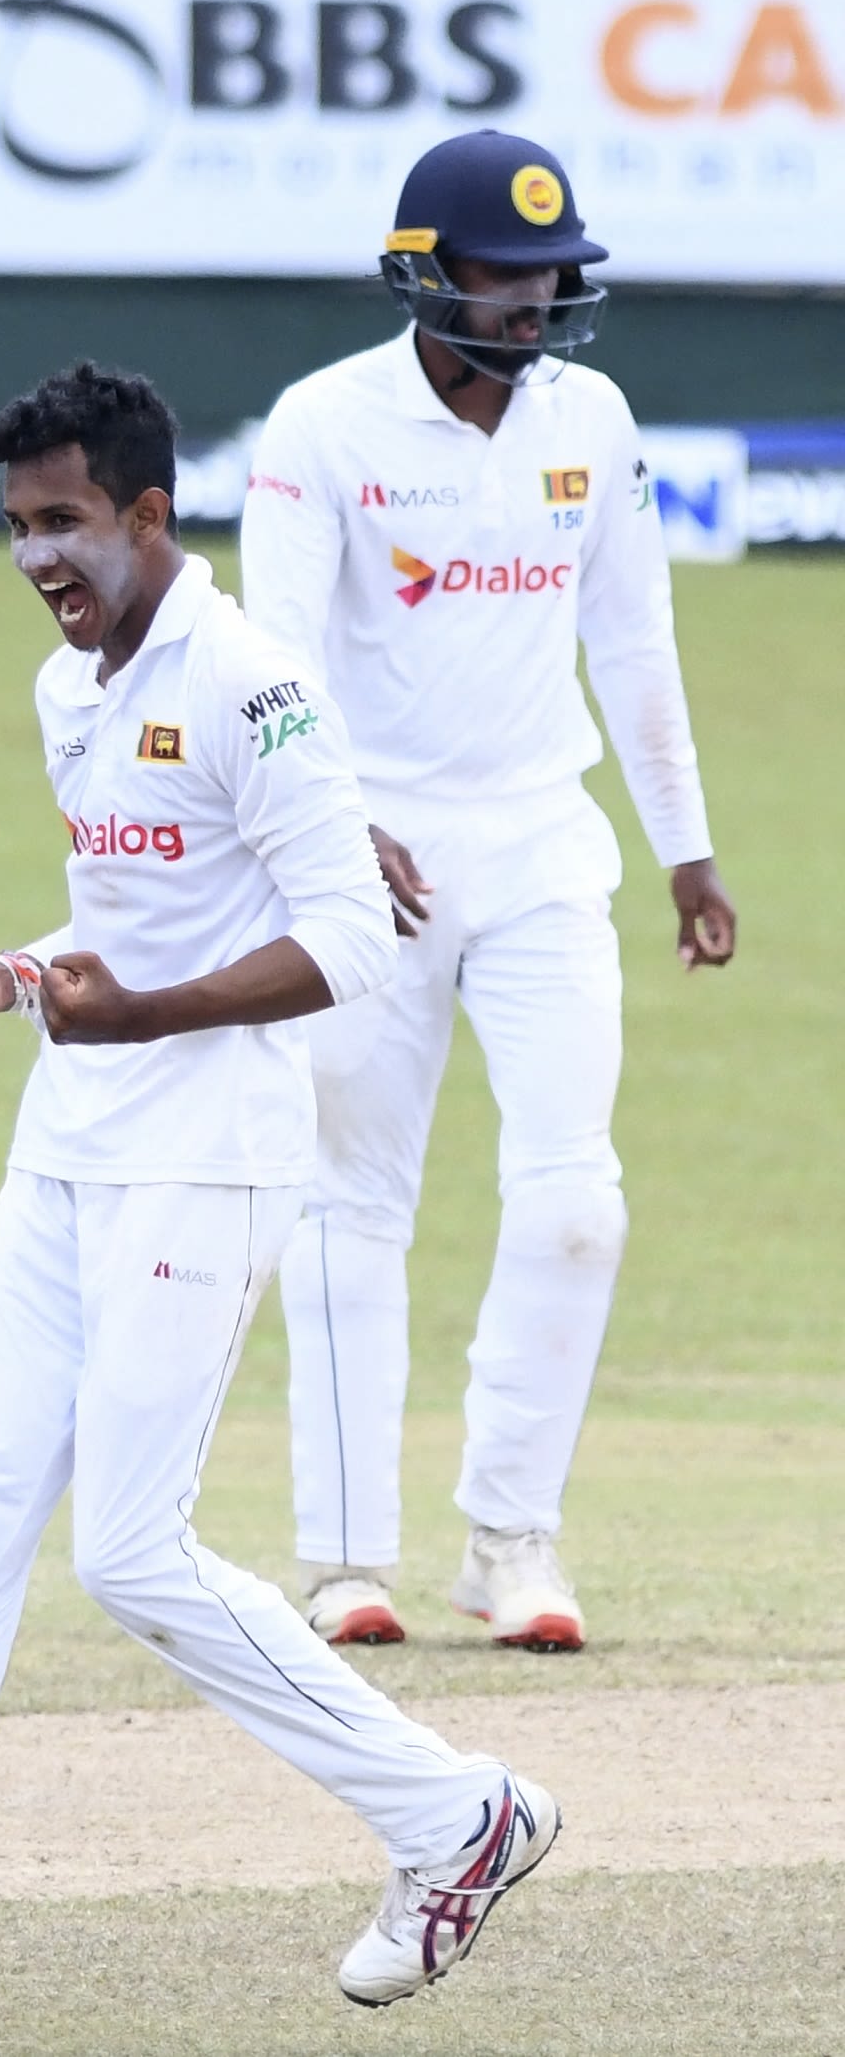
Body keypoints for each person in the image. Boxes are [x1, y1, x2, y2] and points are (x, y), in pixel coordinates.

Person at [0, 362, 560, 2041]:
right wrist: (17, 977)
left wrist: (130, 1014)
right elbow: (131, 913)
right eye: (17, 527)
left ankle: (455, 1811)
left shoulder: (255, 685)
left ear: (150, 515)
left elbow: (343, 940)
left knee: (126, 1552)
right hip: (69, 1141)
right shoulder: (69, 689)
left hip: (210, 1153)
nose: (39, 557)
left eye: (65, 523)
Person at [240, 129, 737, 1656]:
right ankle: (341, 1562)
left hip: (539, 848)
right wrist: (336, 834)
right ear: (423, 275)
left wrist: (685, 843)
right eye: (504, 278)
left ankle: (513, 1541)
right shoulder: (323, 425)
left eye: (550, 278)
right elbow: (278, 656)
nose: (533, 305)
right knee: (350, 1207)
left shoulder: (593, 416)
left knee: (579, 1202)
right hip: (369, 866)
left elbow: (635, 640)